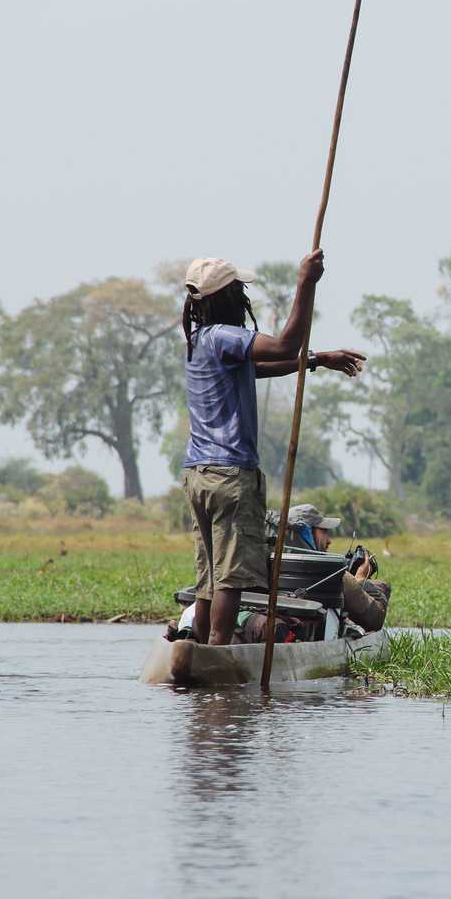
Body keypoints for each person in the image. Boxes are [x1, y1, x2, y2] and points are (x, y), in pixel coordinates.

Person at [179, 251, 365, 645]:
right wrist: (306, 282)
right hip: (231, 474)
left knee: (209, 575)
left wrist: (315, 360)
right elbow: (282, 347)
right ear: (227, 297)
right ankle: (218, 652)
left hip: (198, 474)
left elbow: (264, 366)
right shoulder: (226, 336)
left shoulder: (200, 341)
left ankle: (198, 649)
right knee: (230, 575)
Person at [282, 502, 391, 632]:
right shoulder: (335, 575)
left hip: (288, 631)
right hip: (313, 637)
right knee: (382, 585)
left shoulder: (268, 566)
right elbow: (375, 619)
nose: (329, 540)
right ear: (307, 533)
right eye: (324, 532)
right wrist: (361, 579)